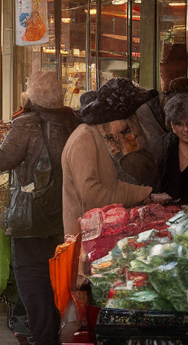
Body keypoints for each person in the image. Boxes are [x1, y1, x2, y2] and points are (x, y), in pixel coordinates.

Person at [0, 70, 80, 345]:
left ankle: (44, 335)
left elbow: (3, 158)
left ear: (31, 95)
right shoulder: (73, 121)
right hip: (66, 212)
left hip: (32, 213)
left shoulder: (26, 124)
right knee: (61, 273)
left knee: (31, 274)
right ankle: (62, 330)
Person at [61, 78, 171, 237]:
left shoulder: (95, 135)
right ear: (114, 115)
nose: (129, 126)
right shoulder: (84, 139)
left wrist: (148, 195)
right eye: (127, 120)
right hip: (85, 240)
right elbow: (92, 195)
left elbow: (111, 184)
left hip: (96, 235)